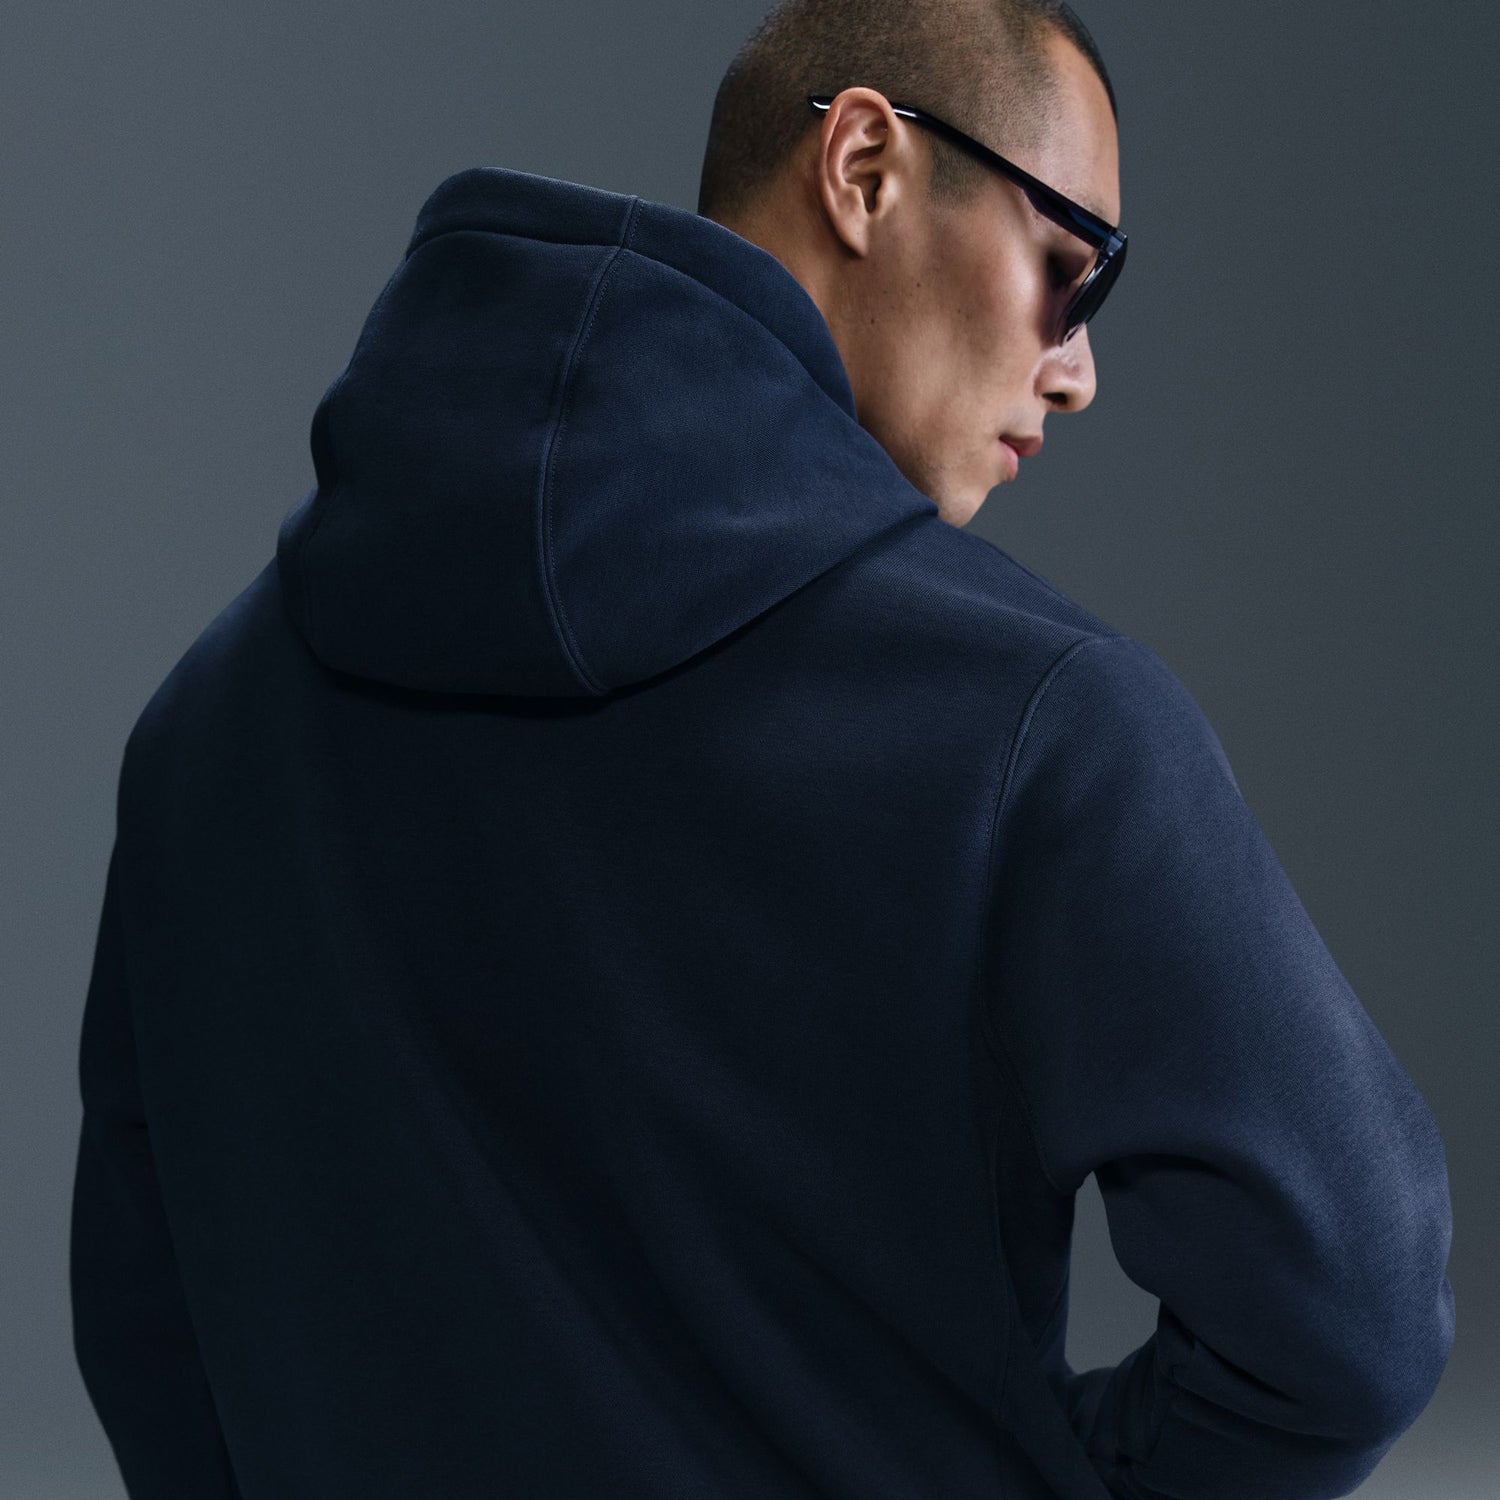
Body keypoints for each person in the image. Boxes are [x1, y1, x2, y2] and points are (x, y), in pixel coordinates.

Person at [69, 1, 1455, 1496]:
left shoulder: (206, 728)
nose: (1077, 371)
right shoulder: (1041, 724)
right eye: (1074, 268)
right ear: (864, 166)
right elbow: (1348, 1316)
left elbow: (152, 1329)